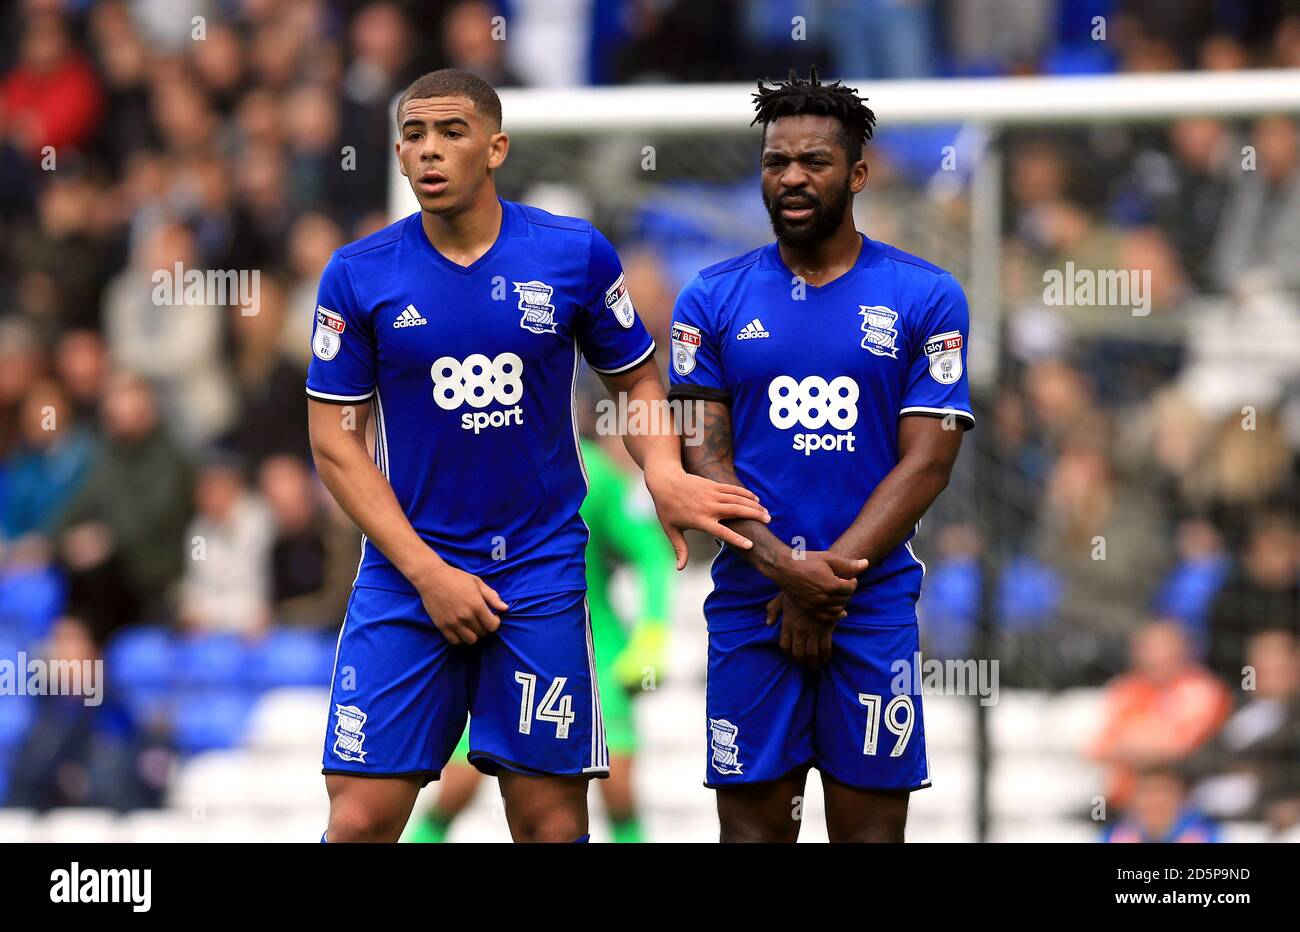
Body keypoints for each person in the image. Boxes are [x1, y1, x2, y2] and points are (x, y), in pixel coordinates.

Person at [308, 69, 768, 843]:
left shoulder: (572, 254)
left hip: (539, 569)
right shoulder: (357, 274)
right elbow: (334, 441)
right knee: (359, 820)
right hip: (407, 571)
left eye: (451, 132)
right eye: (414, 135)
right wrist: (427, 573)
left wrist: (660, 473)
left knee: (552, 824)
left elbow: (636, 379)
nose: (429, 151)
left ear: (496, 147)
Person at [668, 68, 972, 842]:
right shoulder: (709, 297)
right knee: (750, 837)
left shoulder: (925, 295)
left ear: (858, 174)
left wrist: (824, 582)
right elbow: (705, 455)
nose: (793, 178)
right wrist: (784, 569)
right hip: (751, 603)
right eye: (776, 163)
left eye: (815, 162)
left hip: (867, 607)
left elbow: (929, 462)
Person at [409, 434, 675, 843]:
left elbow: (652, 553)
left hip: (587, 645)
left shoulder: (592, 470)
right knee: (457, 788)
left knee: (616, 786)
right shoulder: (463, 455)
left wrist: (651, 634)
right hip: (489, 643)